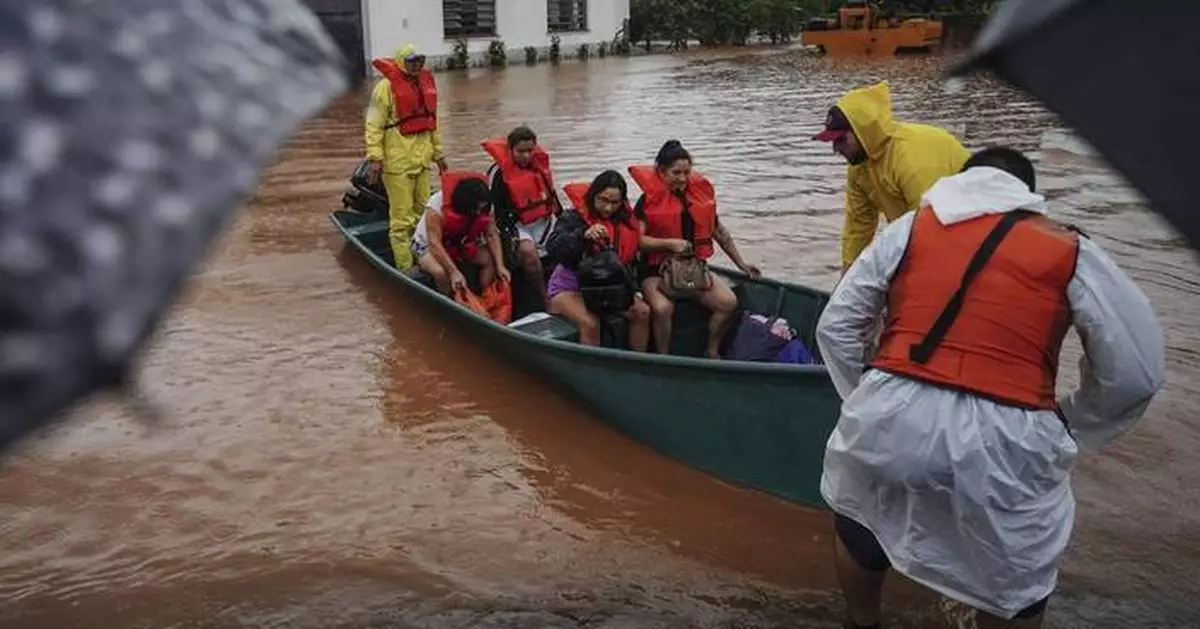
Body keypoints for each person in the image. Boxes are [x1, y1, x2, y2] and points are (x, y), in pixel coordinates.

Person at [815, 147, 1165, 629]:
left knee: (862, 523)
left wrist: (867, 398)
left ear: (960, 180)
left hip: (888, 410)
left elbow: (836, 327)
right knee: (1014, 581)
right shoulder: (1072, 250)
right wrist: (1072, 424)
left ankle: (861, 622)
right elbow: (1135, 372)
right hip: (1011, 433)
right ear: (1028, 194)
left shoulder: (911, 228)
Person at [814, 80, 970, 273]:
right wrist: (846, 280)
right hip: (923, 230)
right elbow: (858, 227)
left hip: (966, 227)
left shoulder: (911, 160)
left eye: (840, 140)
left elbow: (931, 229)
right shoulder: (858, 166)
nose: (836, 149)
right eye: (832, 142)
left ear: (863, 132)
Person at [629, 140, 760, 359]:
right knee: (662, 309)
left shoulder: (701, 198)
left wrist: (741, 263)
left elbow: (719, 232)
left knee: (728, 302)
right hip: (655, 271)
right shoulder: (648, 201)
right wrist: (669, 244)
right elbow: (637, 240)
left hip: (693, 267)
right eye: (675, 172)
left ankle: (712, 350)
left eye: (686, 172)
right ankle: (663, 356)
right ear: (661, 172)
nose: (682, 178)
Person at [544, 171, 651, 350]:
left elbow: (631, 259)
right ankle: (592, 370)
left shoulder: (625, 222)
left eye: (614, 203)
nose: (608, 208)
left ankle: (637, 365)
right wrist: (582, 236)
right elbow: (553, 247)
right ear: (593, 196)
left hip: (610, 291)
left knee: (642, 312)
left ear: (622, 202)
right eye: (603, 200)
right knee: (591, 323)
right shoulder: (573, 217)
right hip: (570, 289)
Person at [364, 44, 448, 270]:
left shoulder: (424, 85)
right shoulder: (385, 88)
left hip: (422, 161)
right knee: (401, 221)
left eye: (420, 60)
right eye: (411, 61)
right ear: (401, 62)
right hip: (397, 163)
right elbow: (373, 125)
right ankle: (406, 267)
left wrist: (439, 155)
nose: (416, 65)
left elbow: (432, 125)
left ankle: (426, 260)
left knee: (424, 214)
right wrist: (375, 158)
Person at [482, 126, 562, 308]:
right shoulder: (498, 173)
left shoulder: (540, 167)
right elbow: (493, 211)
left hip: (543, 221)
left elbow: (552, 197)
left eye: (530, 151)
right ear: (510, 150)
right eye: (521, 151)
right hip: (516, 224)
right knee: (529, 254)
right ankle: (545, 301)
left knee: (565, 244)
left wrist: (564, 221)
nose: (526, 156)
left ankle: (564, 291)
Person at [412, 172, 510, 296]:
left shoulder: (485, 204)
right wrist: (453, 272)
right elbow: (434, 243)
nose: (479, 212)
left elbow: (491, 235)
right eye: (475, 209)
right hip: (427, 246)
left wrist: (500, 266)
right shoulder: (436, 205)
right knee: (440, 272)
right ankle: (449, 299)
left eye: (481, 208)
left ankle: (484, 296)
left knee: (490, 260)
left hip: (461, 243)